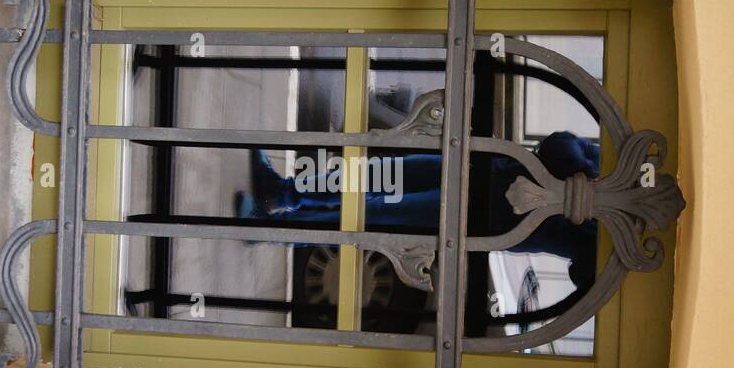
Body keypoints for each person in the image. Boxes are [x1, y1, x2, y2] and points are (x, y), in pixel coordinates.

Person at [236, 130, 600, 294]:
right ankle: (281, 192)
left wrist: (580, 174)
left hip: (478, 219)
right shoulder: (616, 169)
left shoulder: (613, 241)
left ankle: (274, 230)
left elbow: (584, 276)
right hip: (480, 169)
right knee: (375, 175)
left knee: (370, 214)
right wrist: (589, 174)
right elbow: (558, 144)